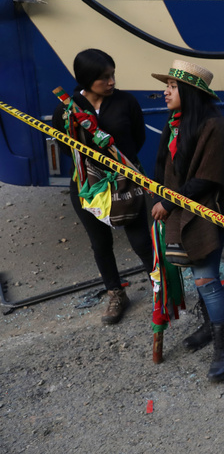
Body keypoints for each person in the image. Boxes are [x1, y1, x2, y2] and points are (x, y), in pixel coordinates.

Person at [151, 60, 224, 382]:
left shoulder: (214, 126)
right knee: (195, 272)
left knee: (205, 279)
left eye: (172, 87)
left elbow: (207, 179)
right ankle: (208, 327)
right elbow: (163, 167)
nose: (166, 92)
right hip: (181, 207)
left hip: (205, 210)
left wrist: (167, 203)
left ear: (188, 91)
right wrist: (159, 196)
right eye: (167, 86)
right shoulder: (176, 121)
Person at [53, 49, 152, 325]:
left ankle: (160, 287)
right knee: (100, 243)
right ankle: (116, 293)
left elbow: (138, 138)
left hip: (126, 181)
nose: (111, 82)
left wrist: (119, 169)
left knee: (142, 240)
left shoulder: (126, 102)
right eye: (104, 78)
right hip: (87, 185)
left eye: (112, 75)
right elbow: (64, 146)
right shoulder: (66, 108)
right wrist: (95, 171)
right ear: (86, 79)